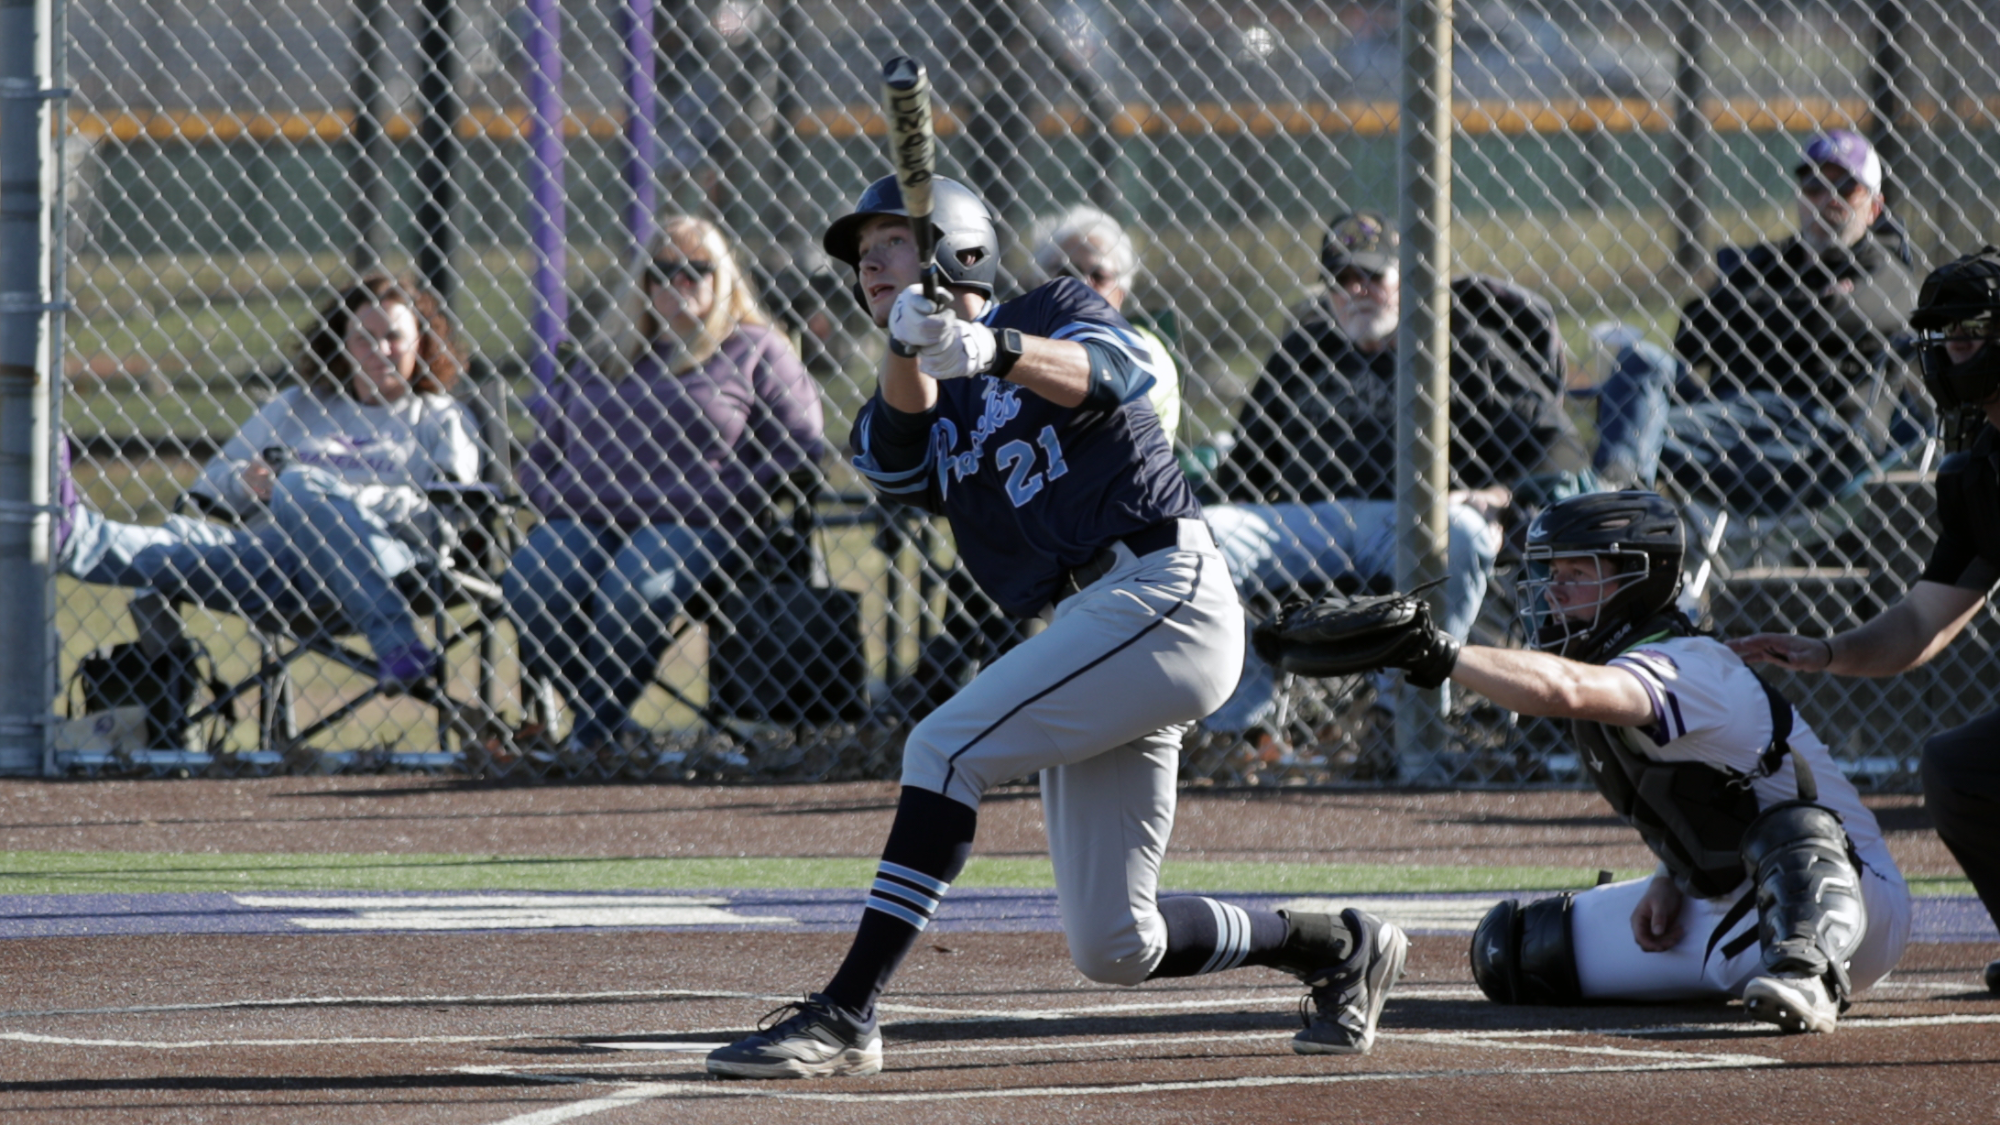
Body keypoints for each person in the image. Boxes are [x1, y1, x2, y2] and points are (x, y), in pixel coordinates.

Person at [703, 175, 1408, 1079]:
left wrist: (988, 345)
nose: (868, 263)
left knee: (944, 748)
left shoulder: (1053, 307)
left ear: (956, 246)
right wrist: (915, 348)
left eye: (890, 242)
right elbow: (892, 460)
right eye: (860, 254)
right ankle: (1338, 944)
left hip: (1163, 591)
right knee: (1117, 943)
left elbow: (1120, 373)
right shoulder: (923, 376)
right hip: (1097, 621)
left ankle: (847, 1012)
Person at [1257, 489, 1910, 1032]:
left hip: (1853, 904)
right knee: (1512, 950)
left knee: (1793, 830)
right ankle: (1757, 964)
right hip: (1731, 898)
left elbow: (1568, 689)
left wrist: (1438, 652)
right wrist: (1667, 876)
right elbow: (1715, 791)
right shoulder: (1624, 660)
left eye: (1576, 575)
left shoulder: (1687, 662)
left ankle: (1807, 976)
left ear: (1639, 580)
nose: (1553, 593)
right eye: (1549, 575)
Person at [1731, 246, 2000, 994]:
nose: (1954, 354)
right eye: (1944, 337)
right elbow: (1921, 621)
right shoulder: (1982, 471)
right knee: (1958, 768)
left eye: (1972, 334)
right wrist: (1824, 651)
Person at [1203, 209, 1572, 740]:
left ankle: (1404, 716)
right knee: (1204, 536)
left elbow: (1557, 445)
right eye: (1342, 280)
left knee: (1461, 533)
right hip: (1308, 522)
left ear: (1406, 280)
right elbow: (1247, 464)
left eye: (1373, 277)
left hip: (1410, 522)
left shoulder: (1459, 344)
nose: (1357, 291)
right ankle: (1239, 729)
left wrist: (1503, 495)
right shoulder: (1304, 348)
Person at [65, 275, 481, 692]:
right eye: (363, 337)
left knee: (300, 483)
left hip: (386, 556)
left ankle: (397, 641)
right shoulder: (296, 405)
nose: (379, 350)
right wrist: (247, 482)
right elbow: (212, 486)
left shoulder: (439, 416)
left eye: (394, 336)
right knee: (179, 541)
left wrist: (334, 498)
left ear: (423, 343)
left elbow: (447, 511)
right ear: (342, 344)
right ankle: (72, 535)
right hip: (277, 562)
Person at [506, 214, 825, 755]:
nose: (679, 283)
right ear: (644, 282)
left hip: (696, 520)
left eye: (696, 270)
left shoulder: (753, 347)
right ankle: (602, 728)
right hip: (584, 513)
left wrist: (735, 494)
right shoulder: (605, 350)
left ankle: (591, 739)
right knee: (531, 581)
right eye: (663, 271)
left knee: (635, 591)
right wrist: (549, 496)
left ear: (722, 277)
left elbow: (802, 443)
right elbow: (540, 451)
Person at [1588, 130, 1918, 511]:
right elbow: (1693, 333)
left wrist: (1748, 303)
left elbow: (1822, 324)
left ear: (1874, 208)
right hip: (1727, 419)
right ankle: (1618, 492)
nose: (1828, 199)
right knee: (1638, 363)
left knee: (1637, 424)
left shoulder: (1888, 274)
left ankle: (1611, 508)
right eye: (1814, 186)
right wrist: (1795, 303)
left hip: (1813, 436)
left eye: (1846, 188)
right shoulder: (1769, 261)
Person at [1030, 205, 1184, 441]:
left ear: (1120, 291)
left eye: (1098, 276)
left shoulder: (1143, 348)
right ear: (1040, 283)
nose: (1080, 285)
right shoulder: (1024, 340)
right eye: (1064, 273)